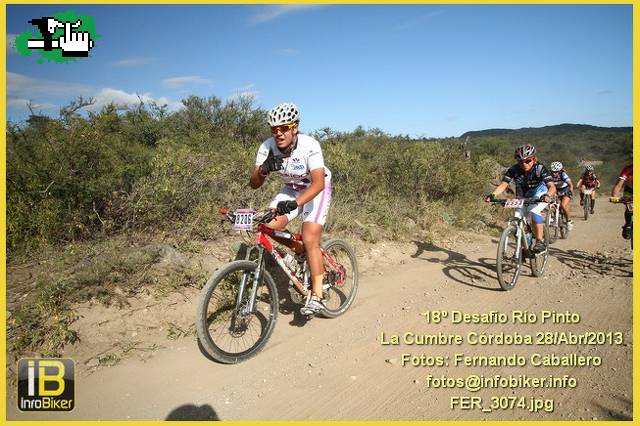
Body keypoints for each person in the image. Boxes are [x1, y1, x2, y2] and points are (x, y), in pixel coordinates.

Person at [250, 102, 332, 315]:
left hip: (316, 188)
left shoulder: (309, 145)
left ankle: (317, 296)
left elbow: (318, 183)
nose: (278, 133)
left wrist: (296, 204)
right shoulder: (267, 147)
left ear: (295, 127)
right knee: (268, 224)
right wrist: (263, 170)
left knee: (310, 237)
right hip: (292, 188)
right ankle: (299, 250)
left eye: (284, 128)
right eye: (274, 129)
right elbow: (254, 184)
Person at [485, 144, 556, 253]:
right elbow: (503, 185)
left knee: (534, 211)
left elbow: (552, 186)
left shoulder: (540, 168)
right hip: (523, 194)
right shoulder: (514, 169)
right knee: (517, 218)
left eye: (528, 161)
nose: (524, 164)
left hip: (540, 192)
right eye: (521, 162)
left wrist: (547, 195)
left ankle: (540, 241)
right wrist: (492, 195)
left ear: (534, 159)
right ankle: (523, 247)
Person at [549, 161, 574, 230]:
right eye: (553, 172)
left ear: (559, 171)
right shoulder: (549, 175)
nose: (554, 173)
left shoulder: (563, 174)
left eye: (556, 172)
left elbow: (570, 184)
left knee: (563, 205)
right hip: (556, 190)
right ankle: (551, 216)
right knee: (550, 203)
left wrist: (571, 192)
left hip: (565, 190)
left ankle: (569, 221)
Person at [611, 163, 633, 240]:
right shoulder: (628, 169)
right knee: (630, 206)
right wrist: (614, 196)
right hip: (630, 191)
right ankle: (628, 224)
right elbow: (619, 184)